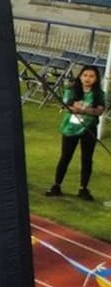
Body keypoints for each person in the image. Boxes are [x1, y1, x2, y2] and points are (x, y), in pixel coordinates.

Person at [49, 65, 103, 201]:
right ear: (80, 76)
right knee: (65, 157)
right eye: (85, 75)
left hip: (89, 128)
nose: (87, 79)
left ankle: (83, 188)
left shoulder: (99, 94)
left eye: (91, 76)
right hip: (70, 128)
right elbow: (67, 106)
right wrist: (86, 109)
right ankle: (56, 185)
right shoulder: (71, 90)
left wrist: (82, 108)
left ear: (96, 79)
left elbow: (99, 111)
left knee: (87, 158)